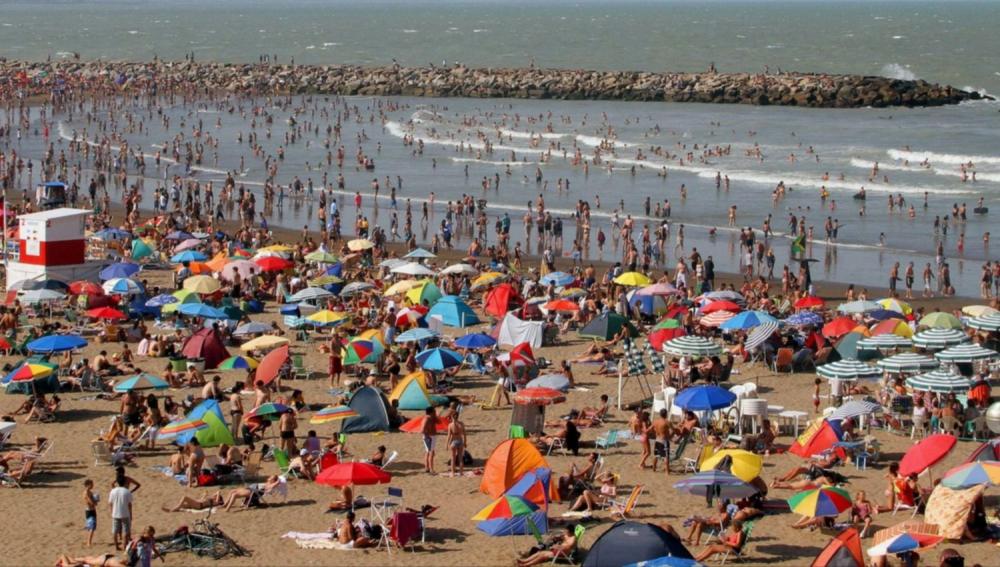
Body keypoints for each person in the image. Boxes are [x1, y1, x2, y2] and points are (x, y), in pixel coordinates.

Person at [108, 478, 133, 551]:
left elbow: (110, 503)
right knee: (126, 531)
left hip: (115, 513)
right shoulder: (127, 491)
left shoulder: (113, 491)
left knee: (115, 531)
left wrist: (111, 512)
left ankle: (116, 546)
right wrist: (131, 514)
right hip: (125, 513)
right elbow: (129, 504)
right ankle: (125, 546)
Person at [421, 406, 437, 474]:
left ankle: (427, 468)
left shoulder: (430, 418)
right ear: (431, 412)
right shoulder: (427, 419)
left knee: (428, 452)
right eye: (434, 411)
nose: (435, 412)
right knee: (431, 453)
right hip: (429, 437)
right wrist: (428, 436)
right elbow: (422, 430)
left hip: (429, 437)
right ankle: (431, 469)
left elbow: (438, 422)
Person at [83, 479, 98, 547]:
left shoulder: (90, 492)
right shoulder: (86, 492)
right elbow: (90, 501)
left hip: (91, 510)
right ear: (88, 485)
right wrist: (94, 502)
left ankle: (88, 541)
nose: (93, 485)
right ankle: (89, 542)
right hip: (89, 510)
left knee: (91, 526)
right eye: (91, 484)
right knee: (92, 527)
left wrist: (95, 501)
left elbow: (93, 501)